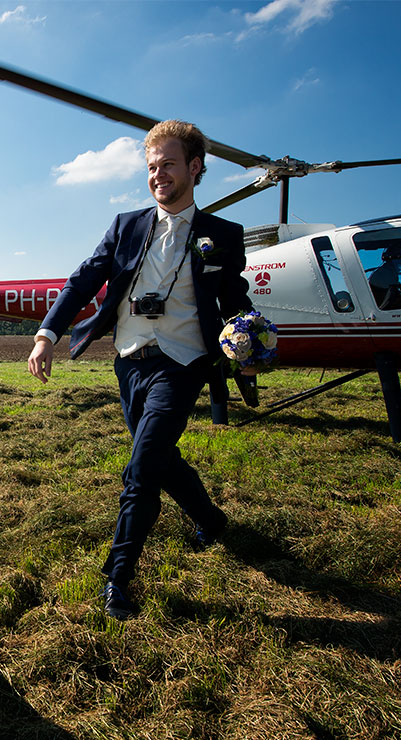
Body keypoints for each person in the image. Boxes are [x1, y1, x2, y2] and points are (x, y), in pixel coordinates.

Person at [27, 120, 251, 621]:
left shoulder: (222, 236)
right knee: (159, 455)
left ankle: (118, 578)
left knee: (142, 467)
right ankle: (210, 518)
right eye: (152, 167)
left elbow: (236, 301)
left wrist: (249, 335)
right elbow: (82, 280)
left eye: (168, 164)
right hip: (129, 362)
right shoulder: (126, 226)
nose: (158, 175)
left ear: (195, 168)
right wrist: (47, 335)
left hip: (183, 362)